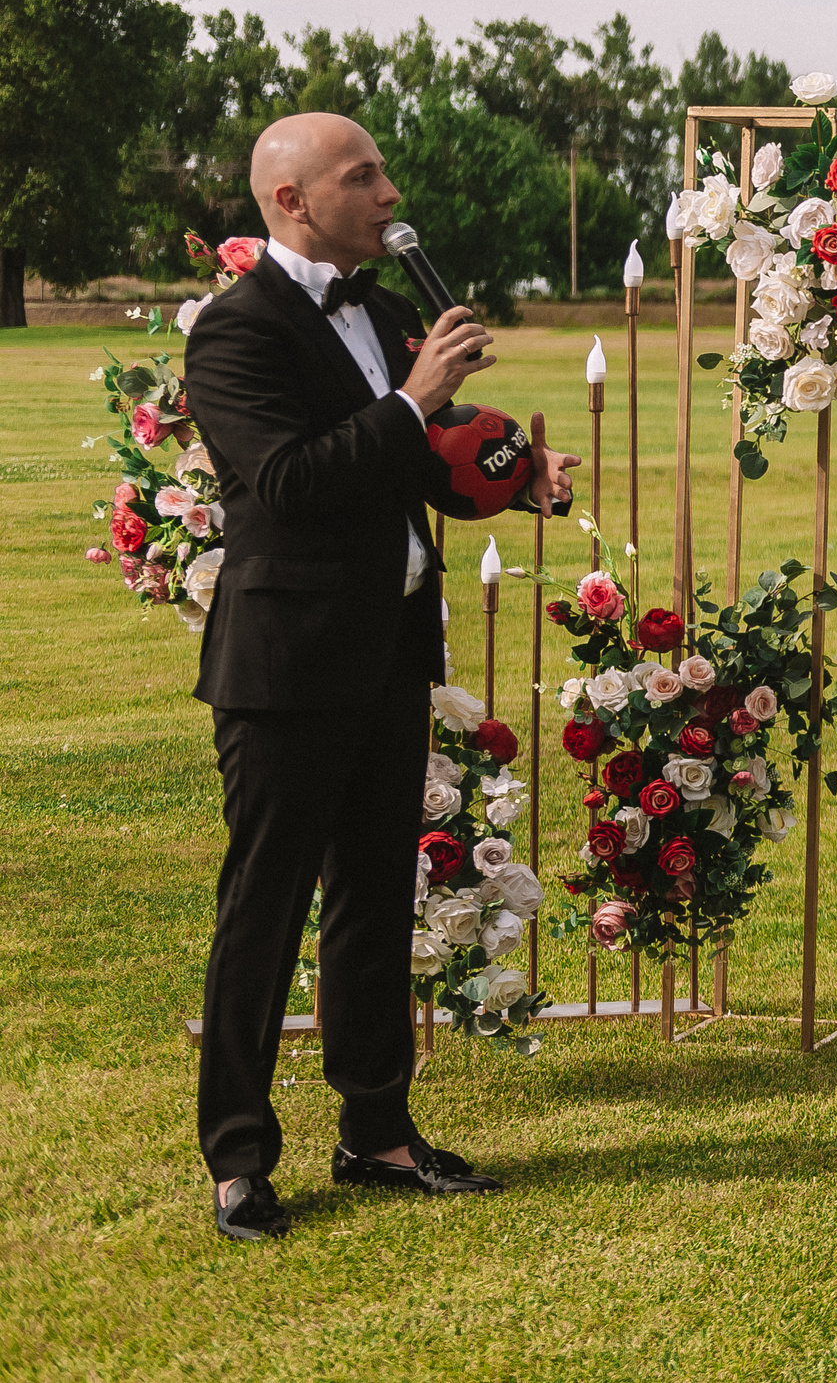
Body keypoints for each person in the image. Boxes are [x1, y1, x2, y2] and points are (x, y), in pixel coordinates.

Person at [186, 112, 576, 1240]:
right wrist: (411, 396)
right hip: (288, 662)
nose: (388, 190)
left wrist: (515, 476)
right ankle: (239, 1157)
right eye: (364, 176)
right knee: (263, 908)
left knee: (371, 898)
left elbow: (430, 460)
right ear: (292, 200)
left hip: (392, 646)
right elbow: (297, 484)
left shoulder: (391, 309)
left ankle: (378, 1131)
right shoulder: (235, 331)